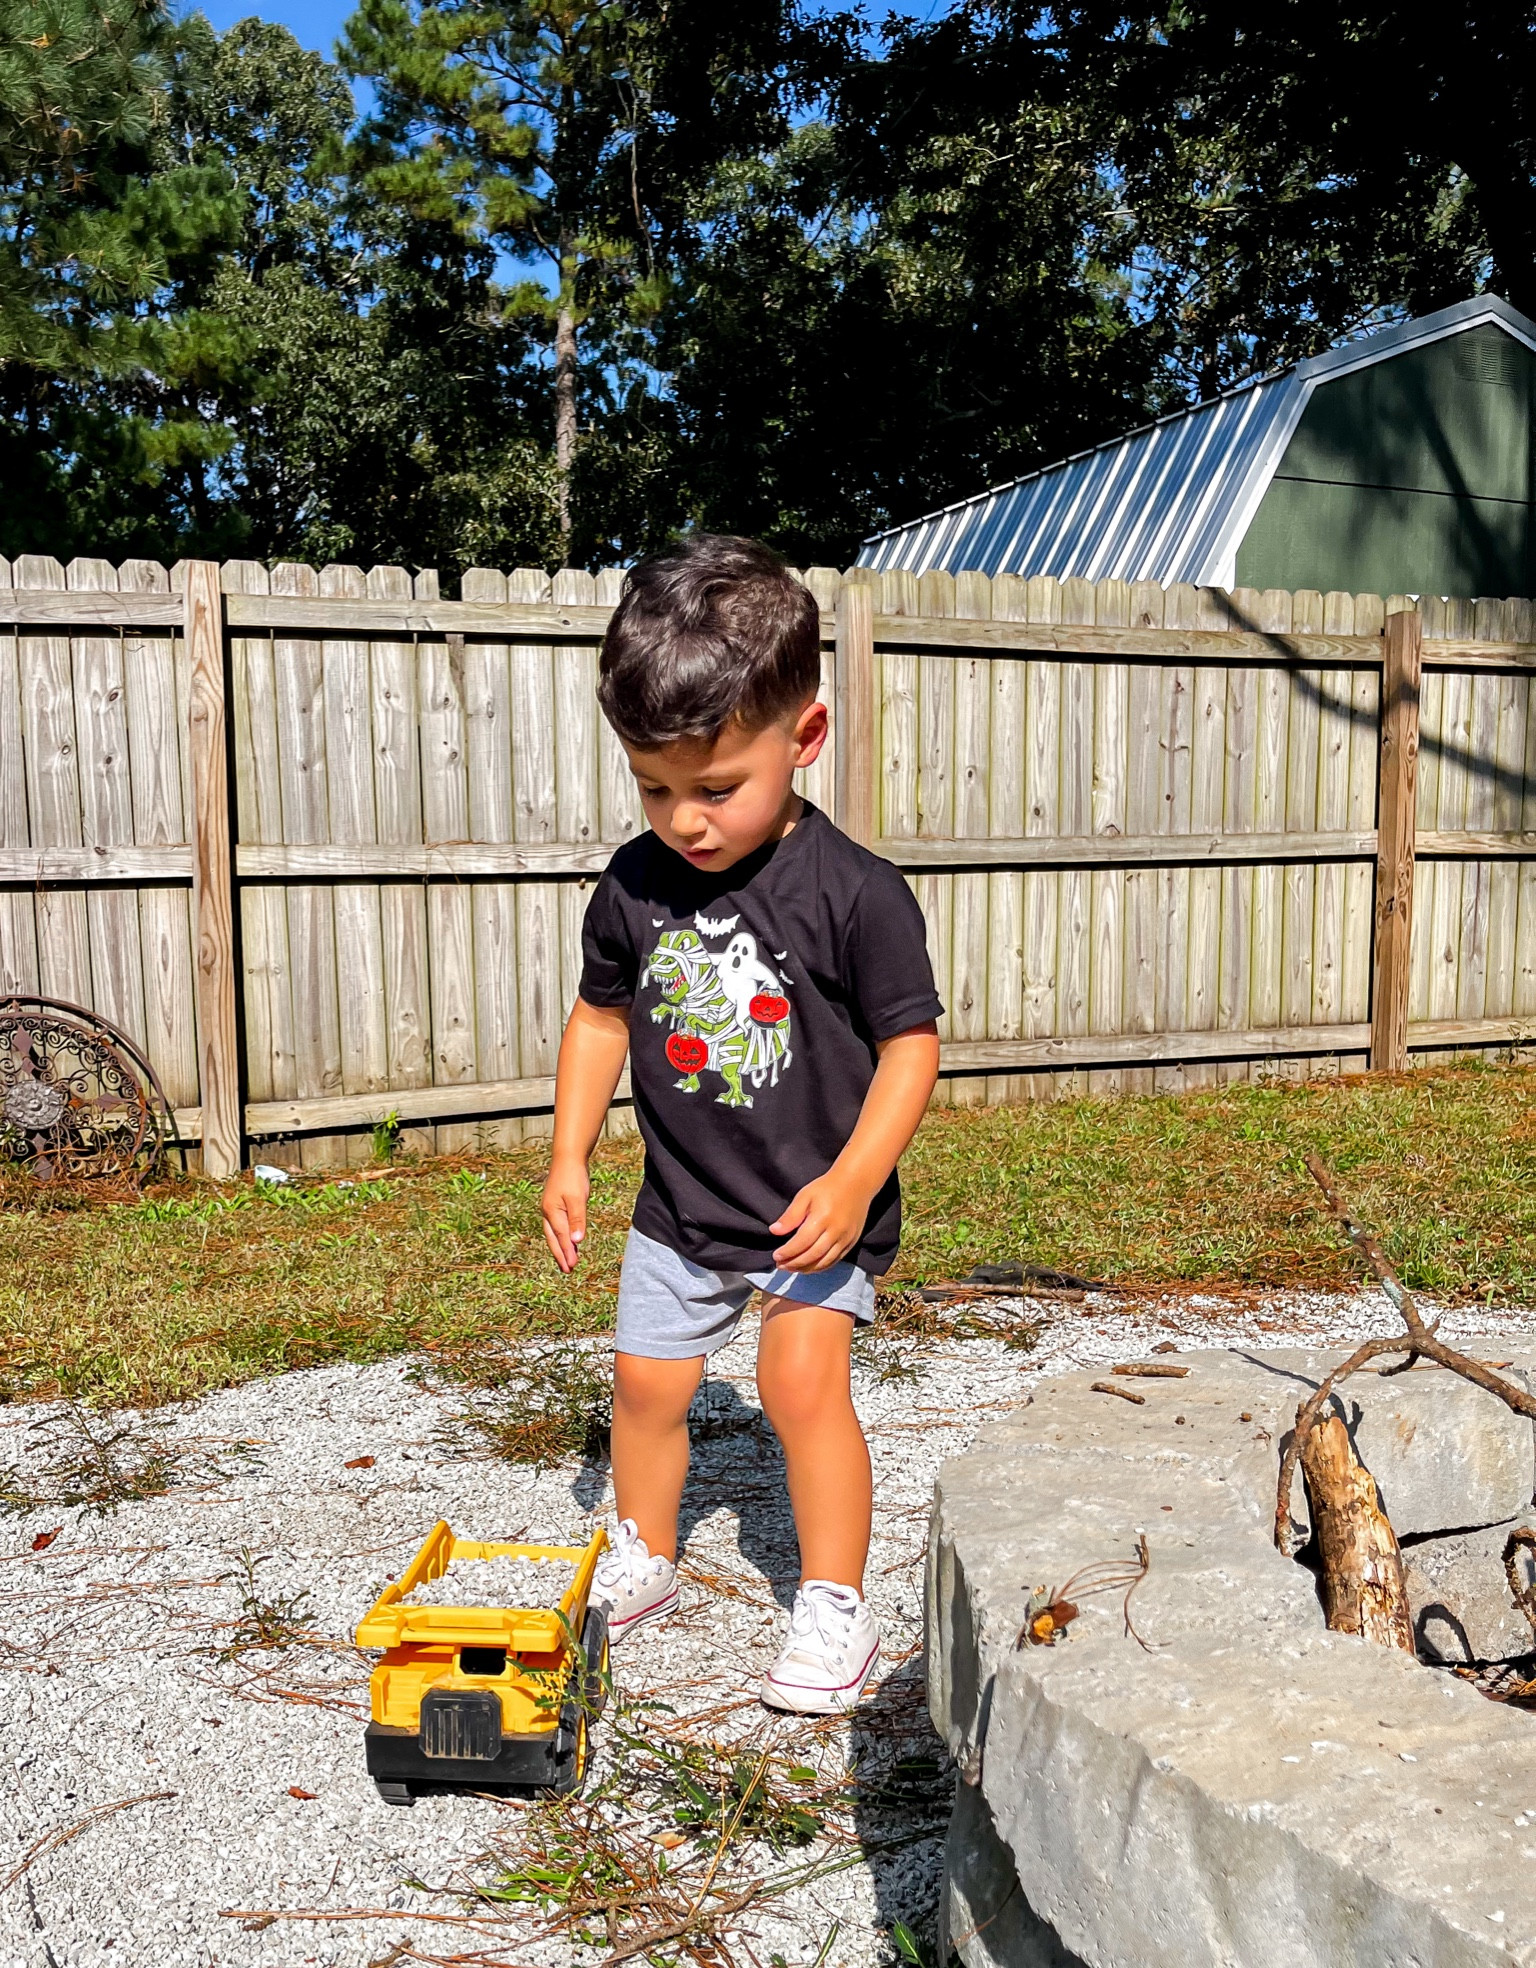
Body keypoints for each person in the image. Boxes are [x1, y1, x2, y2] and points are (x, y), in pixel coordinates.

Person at [541, 535, 941, 1714]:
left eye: (716, 789)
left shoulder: (857, 894)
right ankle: (645, 1552)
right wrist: (569, 1154)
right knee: (647, 1388)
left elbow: (911, 1050)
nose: (686, 821)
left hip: (819, 1205)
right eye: (655, 788)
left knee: (799, 1381)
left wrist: (859, 1181)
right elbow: (600, 1019)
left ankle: (833, 1603)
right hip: (681, 1203)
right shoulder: (633, 885)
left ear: (802, 738)